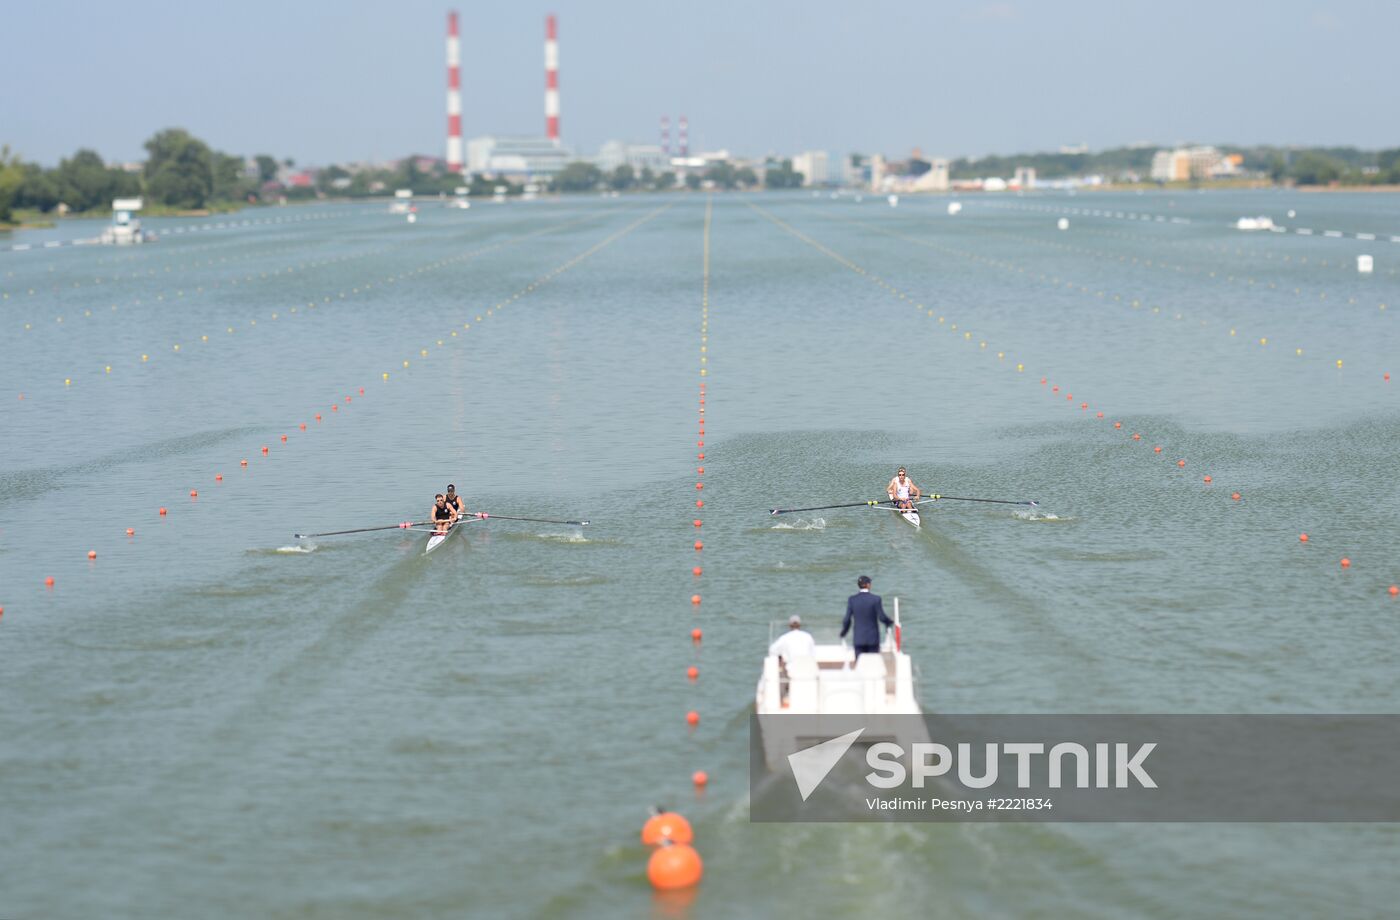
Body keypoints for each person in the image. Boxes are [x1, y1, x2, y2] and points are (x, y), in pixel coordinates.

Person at [841, 575, 892, 665]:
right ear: (868, 585)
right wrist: (889, 622)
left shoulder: (852, 600)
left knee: (860, 666)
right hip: (873, 640)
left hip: (858, 639)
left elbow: (847, 620)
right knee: (872, 665)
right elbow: (882, 617)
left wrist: (844, 633)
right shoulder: (876, 599)